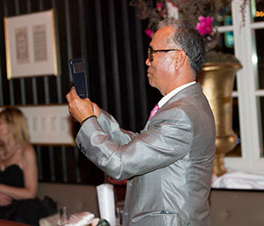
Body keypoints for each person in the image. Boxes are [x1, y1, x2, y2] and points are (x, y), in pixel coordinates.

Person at [66, 19, 216, 226]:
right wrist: (99, 117)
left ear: (178, 59)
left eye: (153, 53)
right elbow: (141, 146)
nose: (147, 61)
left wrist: (86, 120)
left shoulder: (181, 113)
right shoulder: (187, 104)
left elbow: (119, 164)